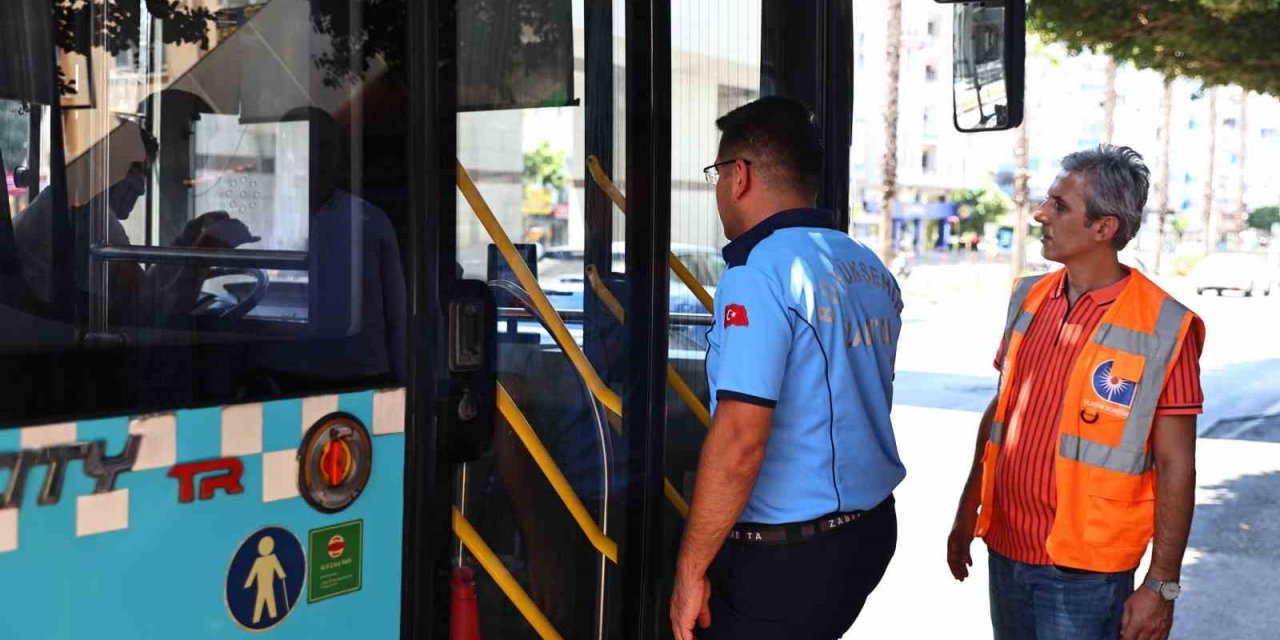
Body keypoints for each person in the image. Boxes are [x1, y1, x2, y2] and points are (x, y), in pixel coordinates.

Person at [670, 96, 905, 640]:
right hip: (866, 533)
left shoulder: (759, 272)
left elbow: (741, 440)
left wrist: (689, 570)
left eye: (717, 174)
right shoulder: (866, 265)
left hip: (787, 558)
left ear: (740, 176)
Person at [946, 145, 1204, 640]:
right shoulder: (1030, 296)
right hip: (1006, 549)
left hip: (1088, 572)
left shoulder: (1167, 327)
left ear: (1104, 228)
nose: (1041, 214)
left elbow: (1178, 466)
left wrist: (1162, 584)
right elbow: (1003, 410)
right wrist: (968, 509)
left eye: (1059, 205)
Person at [12, 119, 257, 323]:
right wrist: (208, 248)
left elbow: (142, 294)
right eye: (135, 170)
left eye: (145, 174)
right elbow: (154, 317)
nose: (141, 189)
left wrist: (187, 240)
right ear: (102, 164)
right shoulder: (88, 217)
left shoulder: (70, 203)